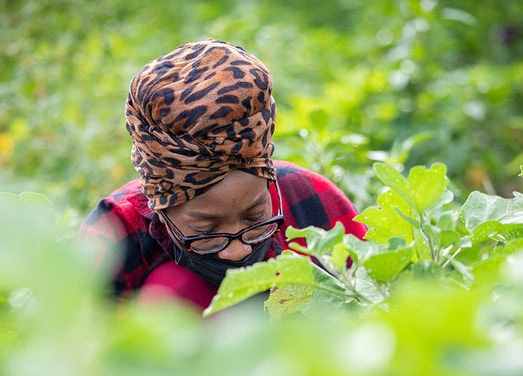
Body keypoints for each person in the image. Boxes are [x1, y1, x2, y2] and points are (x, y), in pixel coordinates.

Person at [80, 39, 365, 310]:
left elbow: (376, 301)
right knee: (173, 289)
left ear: (269, 181)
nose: (237, 251)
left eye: (255, 218)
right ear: (160, 204)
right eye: (206, 230)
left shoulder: (312, 199)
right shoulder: (113, 236)